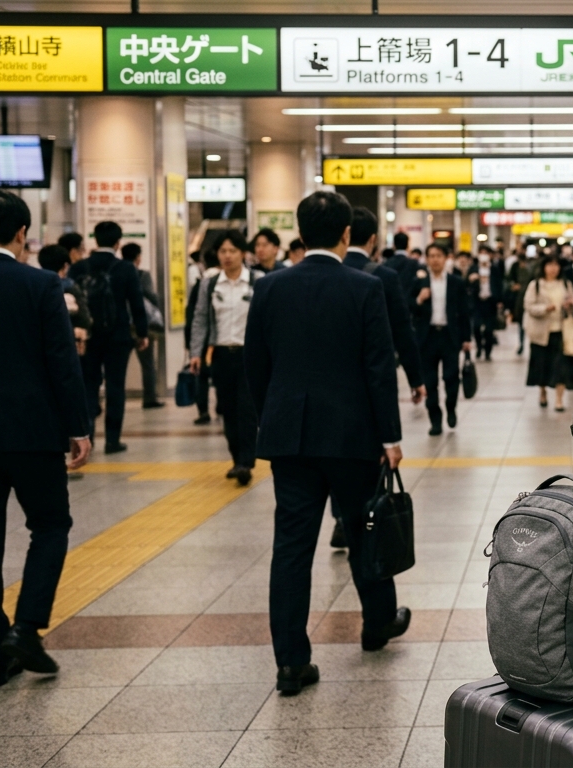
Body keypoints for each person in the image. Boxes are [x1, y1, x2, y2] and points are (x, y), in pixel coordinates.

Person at [245, 191, 410, 696]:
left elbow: (256, 365)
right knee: (364, 530)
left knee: (291, 547)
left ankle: (292, 661)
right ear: (345, 235)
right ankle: (378, 622)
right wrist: (390, 436)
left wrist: (271, 419)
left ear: (299, 231)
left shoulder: (270, 288)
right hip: (352, 437)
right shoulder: (365, 288)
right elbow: (379, 368)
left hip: (290, 439)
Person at [0, 191, 92, 687]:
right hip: (33, 431)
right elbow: (61, 362)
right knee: (50, 525)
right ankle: (24, 628)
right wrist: (78, 427)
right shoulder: (41, 283)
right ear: (22, 234)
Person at [339, 208, 427, 547]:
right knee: (365, 456)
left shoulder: (316, 274)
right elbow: (402, 333)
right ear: (373, 239)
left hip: (324, 393)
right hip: (367, 388)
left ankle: (339, 517)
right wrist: (416, 377)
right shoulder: (382, 277)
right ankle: (357, 517)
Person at [68, 222, 149, 454]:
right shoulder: (125, 268)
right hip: (118, 337)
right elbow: (136, 303)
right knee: (115, 387)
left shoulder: (79, 267)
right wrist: (142, 333)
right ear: (117, 242)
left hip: (88, 336)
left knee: (89, 386)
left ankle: (88, 436)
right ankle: (113, 440)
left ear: (95, 240)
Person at [190, 231, 263, 485]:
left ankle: (246, 460)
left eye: (232, 251)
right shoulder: (209, 284)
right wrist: (195, 353)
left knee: (247, 409)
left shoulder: (257, 281)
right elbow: (199, 318)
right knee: (227, 409)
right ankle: (236, 459)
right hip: (221, 354)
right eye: (223, 251)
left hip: (249, 355)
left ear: (243, 253)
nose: (227, 256)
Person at [411, 244, 471, 435]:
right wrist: (419, 299)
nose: (435, 259)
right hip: (427, 337)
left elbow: (464, 312)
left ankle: (451, 407)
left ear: (446, 258)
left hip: (449, 336)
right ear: (426, 259)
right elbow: (408, 307)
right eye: (431, 256)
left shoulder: (456, 282)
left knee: (451, 377)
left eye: (439, 255)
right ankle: (435, 420)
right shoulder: (419, 282)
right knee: (430, 382)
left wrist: (467, 338)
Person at [523, 257, 573, 411]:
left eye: (556, 265)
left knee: (562, 366)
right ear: (544, 267)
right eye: (550, 265)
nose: (553, 268)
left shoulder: (565, 284)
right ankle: (543, 392)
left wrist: (570, 305)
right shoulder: (536, 285)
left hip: (561, 331)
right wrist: (545, 309)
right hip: (541, 333)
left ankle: (559, 400)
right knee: (541, 366)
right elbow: (528, 306)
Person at [123, 243, 165, 409]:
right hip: (142, 326)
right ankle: (150, 398)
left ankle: (116, 395)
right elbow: (151, 297)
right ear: (138, 257)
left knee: (120, 365)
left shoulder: (117, 272)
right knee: (147, 364)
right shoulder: (142, 275)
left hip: (124, 325)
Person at [185, 248, 219, 425]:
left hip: (204, 340)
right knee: (221, 375)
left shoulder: (201, 283)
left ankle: (203, 410)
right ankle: (222, 405)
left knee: (202, 377)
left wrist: (190, 344)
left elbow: (192, 314)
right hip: (219, 340)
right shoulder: (220, 282)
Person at [37, 245, 92, 354]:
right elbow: (84, 317)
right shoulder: (70, 287)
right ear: (66, 266)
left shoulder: (36, 286)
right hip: (67, 342)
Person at [472, 245, 504, 360]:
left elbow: (499, 285)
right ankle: (479, 347)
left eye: (486, 253)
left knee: (489, 329)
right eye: (481, 253)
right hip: (477, 302)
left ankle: (488, 351)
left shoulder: (494, 269)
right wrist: (472, 280)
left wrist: (500, 300)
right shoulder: (474, 268)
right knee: (476, 327)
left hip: (490, 302)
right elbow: (467, 285)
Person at [384, 232, 421, 303]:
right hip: (409, 302)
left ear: (394, 245)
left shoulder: (387, 263)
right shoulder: (413, 264)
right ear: (407, 245)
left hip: (391, 303)